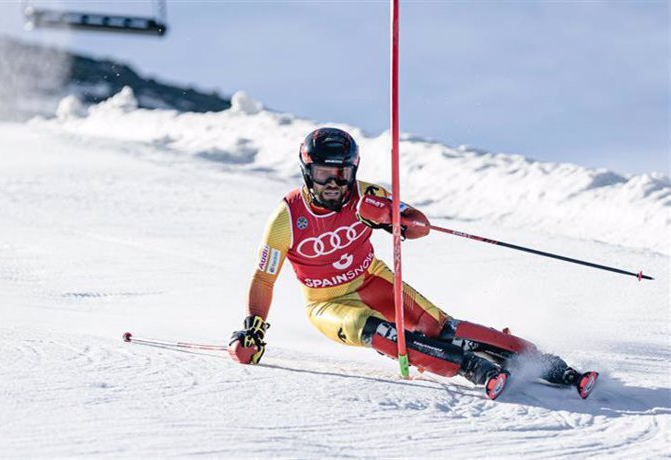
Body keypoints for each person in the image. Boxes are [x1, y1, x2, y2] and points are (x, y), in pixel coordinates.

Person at [229, 127, 597, 400]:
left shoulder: (367, 196)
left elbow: (420, 226)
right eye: (324, 173)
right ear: (308, 171)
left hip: (371, 278)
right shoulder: (287, 217)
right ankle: (472, 368)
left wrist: (394, 218)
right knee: (377, 331)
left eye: (341, 173)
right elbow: (264, 278)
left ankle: (548, 365)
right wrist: (253, 327)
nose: (334, 183)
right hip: (327, 302)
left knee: (440, 327)